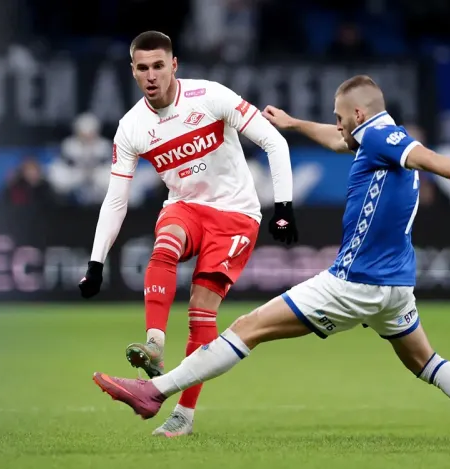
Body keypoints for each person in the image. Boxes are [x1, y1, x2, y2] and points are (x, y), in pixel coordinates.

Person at [92, 75, 450, 446]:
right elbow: (340, 141)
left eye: (340, 117)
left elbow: (424, 156)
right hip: (397, 287)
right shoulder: (374, 139)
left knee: (248, 328)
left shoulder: (384, 137)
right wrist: (294, 124)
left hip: (354, 282)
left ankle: (154, 392)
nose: (337, 126)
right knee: (427, 362)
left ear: (359, 114)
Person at [78, 31, 298, 436]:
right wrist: (95, 263)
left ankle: (184, 415)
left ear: (174, 65)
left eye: (158, 66)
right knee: (166, 242)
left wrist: (282, 207)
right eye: (142, 68)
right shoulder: (131, 127)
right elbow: (115, 200)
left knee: (202, 312)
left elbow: (274, 141)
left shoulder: (210, 96)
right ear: (133, 72)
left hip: (236, 214)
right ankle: (155, 345)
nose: (151, 75)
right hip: (186, 207)